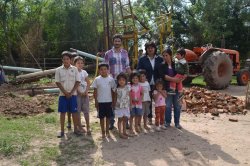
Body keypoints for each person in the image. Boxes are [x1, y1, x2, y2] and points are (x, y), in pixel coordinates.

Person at [104, 34, 131, 130]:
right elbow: (106, 68)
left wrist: (131, 77)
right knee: (112, 100)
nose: (117, 42)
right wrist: (108, 78)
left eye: (119, 41)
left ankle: (125, 121)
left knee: (125, 99)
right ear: (113, 41)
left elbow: (127, 66)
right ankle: (112, 122)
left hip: (123, 81)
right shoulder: (108, 53)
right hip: (113, 80)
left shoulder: (125, 53)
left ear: (121, 42)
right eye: (116, 41)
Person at [55, 51, 80, 138]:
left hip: (73, 95)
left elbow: (78, 81)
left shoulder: (75, 69)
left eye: (67, 59)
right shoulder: (58, 70)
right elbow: (58, 82)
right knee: (62, 113)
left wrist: (72, 92)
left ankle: (76, 129)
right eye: (64, 59)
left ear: (70, 60)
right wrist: (65, 93)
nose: (66, 60)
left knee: (74, 112)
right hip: (63, 95)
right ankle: (62, 131)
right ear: (62, 60)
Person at [137, 41, 163, 125]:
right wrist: (142, 79)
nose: (150, 49)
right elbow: (138, 70)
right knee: (148, 101)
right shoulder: (142, 59)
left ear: (155, 49)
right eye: (148, 48)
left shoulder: (159, 59)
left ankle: (160, 118)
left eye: (152, 47)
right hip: (146, 83)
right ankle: (149, 117)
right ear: (146, 49)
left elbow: (162, 71)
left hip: (157, 84)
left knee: (158, 100)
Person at [158, 48, 184, 129]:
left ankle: (177, 123)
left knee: (177, 106)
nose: (165, 57)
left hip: (178, 88)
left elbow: (182, 73)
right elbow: (164, 76)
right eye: (163, 56)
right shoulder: (161, 65)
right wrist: (174, 79)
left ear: (170, 55)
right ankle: (167, 122)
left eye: (166, 55)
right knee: (168, 106)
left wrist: (180, 79)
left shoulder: (176, 64)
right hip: (167, 88)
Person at [92, 63, 116, 138]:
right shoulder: (97, 79)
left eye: (105, 69)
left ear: (108, 70)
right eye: (101, 69)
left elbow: (114, 91)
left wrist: (114, 102)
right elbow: (95, 92)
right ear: (99, 71)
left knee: (108, 117)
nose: (103, 71)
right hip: (100, 102)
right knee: (101, 117)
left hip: (109, 102)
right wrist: (96, 102)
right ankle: (103, 132)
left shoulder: (111, 79)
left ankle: (107, 131)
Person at [74, 56, 91, 135]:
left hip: (85, 95)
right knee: (78, 112)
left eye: (81, 63)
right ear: (75, 64)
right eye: (78, 63)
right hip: (77, 95)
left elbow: (88, 82)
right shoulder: (73, 72)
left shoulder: (84, 72)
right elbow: (74, 84)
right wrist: (79, 92)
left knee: (86, 111)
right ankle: (80, 126)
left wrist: (86, 91)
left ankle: (88, 127)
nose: (80, 64)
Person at [114, 73, 130, 139]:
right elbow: (115, 98)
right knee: (120, 119)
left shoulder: (128, 88)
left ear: (126, 81)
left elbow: (130, 96)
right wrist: (114, 105)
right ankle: (120, 133)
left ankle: (124, 132)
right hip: (119, 107)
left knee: (125, 119)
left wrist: (130, 104)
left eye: (123, 80)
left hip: (126, 106)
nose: (121, 81)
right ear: (117, 81)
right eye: (120, 80)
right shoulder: (116, 89)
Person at [67, 52, 78, 129]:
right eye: (73, 59)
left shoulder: (78, 68)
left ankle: (78, 123)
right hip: (70, 91)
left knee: (77, 107)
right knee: (69, 108)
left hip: (78, 91)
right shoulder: (68, 68)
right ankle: (69, 122)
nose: (74, 60)